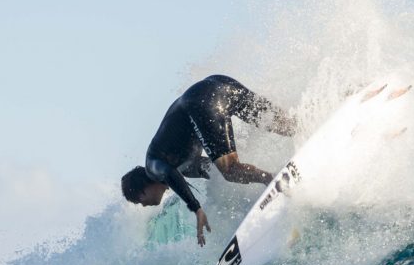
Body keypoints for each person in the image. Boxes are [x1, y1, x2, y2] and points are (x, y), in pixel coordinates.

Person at [121, 74, 296, 246]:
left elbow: (169, 173)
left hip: (201, 102)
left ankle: (273, 179)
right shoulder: (184, 167)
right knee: (281, 124)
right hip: (218, 83)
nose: (143, 206)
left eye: (139, 201)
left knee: (230, 170)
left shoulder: (152, 165)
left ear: (142, 192)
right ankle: (305, 124)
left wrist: (196, 207)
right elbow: (215, 172)